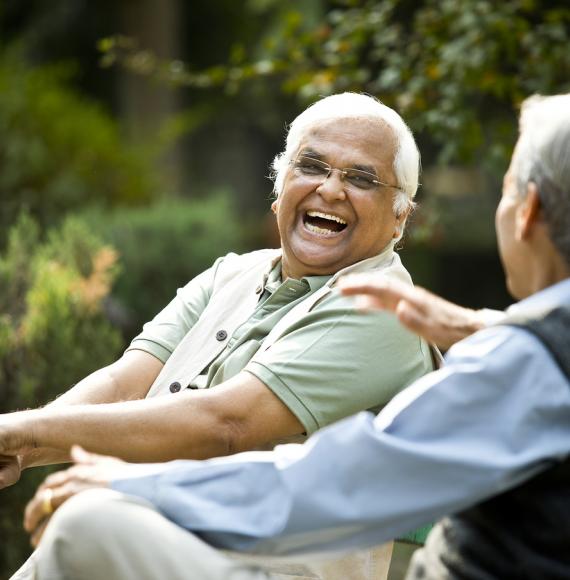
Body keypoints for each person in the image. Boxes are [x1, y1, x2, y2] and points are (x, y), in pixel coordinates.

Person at [17, 92, 570, 580]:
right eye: (312, 167)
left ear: (529, 212)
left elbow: (247, 437)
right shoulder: (230, 273)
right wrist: (20, 443)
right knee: (85, 524)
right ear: (278, 189)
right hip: (174, 542)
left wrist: (130, 485)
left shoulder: (394, 312)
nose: (331, 189)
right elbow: (123, 382)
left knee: (88, 523)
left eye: (360, 178)